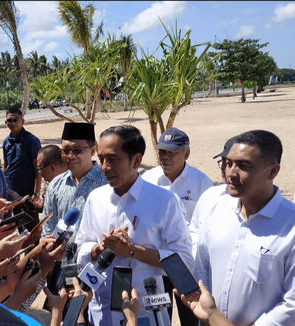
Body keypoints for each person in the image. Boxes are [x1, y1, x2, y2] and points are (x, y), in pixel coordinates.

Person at [75, 125, 193, 326]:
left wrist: (132, 251)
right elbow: (81, 249)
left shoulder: (164, 201)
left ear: (136, 160)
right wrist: (101, 249)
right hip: (101, 311)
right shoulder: (96, 199)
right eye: (101, 159)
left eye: (113, 159)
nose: (104, 166)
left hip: (147, 312)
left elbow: (184, 260)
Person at [194, 130, 295, 325]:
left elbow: (291, 305)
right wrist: (208, 317)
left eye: (243, 165)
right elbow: (203, 267)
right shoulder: (215, 208)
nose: (231, 173)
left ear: (273, 171)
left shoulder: (290, 226)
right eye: (228, 163)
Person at [141, 127, 212, 325]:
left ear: (186, 154)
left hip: (186, 266)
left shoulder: (202, 183)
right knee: (158, 315)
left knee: (190, 316)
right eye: (162, 152)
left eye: (171, 153)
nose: (165, 158)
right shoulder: (147, 180)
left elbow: (206, 227)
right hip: (155, 262)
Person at [42, 123, 107, 245]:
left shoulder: (106, 183)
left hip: (93, 259)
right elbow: (48, 228)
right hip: (60, 260)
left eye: (77, 150)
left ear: (93, 150)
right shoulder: (56, 184)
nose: (70, 156)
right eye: (65, 151)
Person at [2, 108, 41, 231]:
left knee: (31, 227)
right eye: (10, 120)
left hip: (27, 194)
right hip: (11, 194)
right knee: (19, 226)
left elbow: (38, 169)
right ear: (5, 122)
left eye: (16, 120)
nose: (13, 123)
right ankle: (25, 250)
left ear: (22, 121)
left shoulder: (31, 141)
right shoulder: (5, 143)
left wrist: (36, 193)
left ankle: (35, 249)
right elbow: (5, 167)